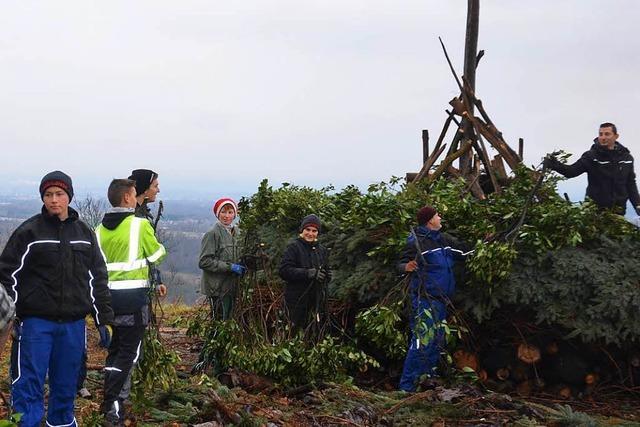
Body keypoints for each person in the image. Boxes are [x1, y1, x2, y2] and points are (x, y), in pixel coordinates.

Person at [0, 171, 114, 427]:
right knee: (28, 383)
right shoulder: (29, 232)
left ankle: (62, 424)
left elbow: (98, 278)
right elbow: (6, 275)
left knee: (66, 384)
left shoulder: (84, 233)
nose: (54, 200)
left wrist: (103, 319)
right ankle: (25, 423)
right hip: (34, 325)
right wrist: (12, 316)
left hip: (73, 325)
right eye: (48, 194)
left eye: (59, 194)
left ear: (69, 197)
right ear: (43, 198)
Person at [95, 179, 167, 426]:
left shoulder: (98, 230)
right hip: (134, 301)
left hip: (107, 302)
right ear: (127, 198)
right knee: (128, 355)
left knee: (114, 353)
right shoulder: (139, 225)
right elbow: (157, 254)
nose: (137, 197)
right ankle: (113, 405)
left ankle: (109, 402)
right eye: (135, 193)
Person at [397, 206, 472, 392]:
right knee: (421, 342)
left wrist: (486, 244)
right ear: (430, 220)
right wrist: (406, 266)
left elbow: (463, 253)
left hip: (441, 300)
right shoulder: (416, 242)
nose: (440, 218)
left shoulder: (443, 240)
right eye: (438, 215)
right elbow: (398, 264)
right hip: (425, 300)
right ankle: (407, 388)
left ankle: (427, 382)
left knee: (437, 341)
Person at [544, 122, 640, 215]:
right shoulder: (591, 156)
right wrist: (554, 164)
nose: (603, 137)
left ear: (616, 136)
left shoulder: (627, 158)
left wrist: (637, 205)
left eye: (607, 134)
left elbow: (630, 184)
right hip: (594, 211)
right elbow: (571, 171)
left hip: (618, 211)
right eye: (601, 134)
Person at [278, 214, 331, 330]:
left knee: (313, 335)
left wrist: (326, 276)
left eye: (314, 231)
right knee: (292, 334)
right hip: (295, 303)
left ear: (318, 233)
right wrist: (308, 273)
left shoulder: (322, 250)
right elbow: (284, 271)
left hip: (315, 303)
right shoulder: (293, 247)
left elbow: (326, 270)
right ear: (302, 230)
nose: (310, 234)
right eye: (307, 230)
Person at [199, 198, 245, 320]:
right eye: (223, 212)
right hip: (217, 288)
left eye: (230, 212)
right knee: (219, 320)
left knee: (231, 320)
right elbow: (204, 262)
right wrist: (230, 267)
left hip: (232, 287)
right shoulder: (212, 234)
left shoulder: (239, 233)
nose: (226, 216)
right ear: (218, 214)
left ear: (235, 214)